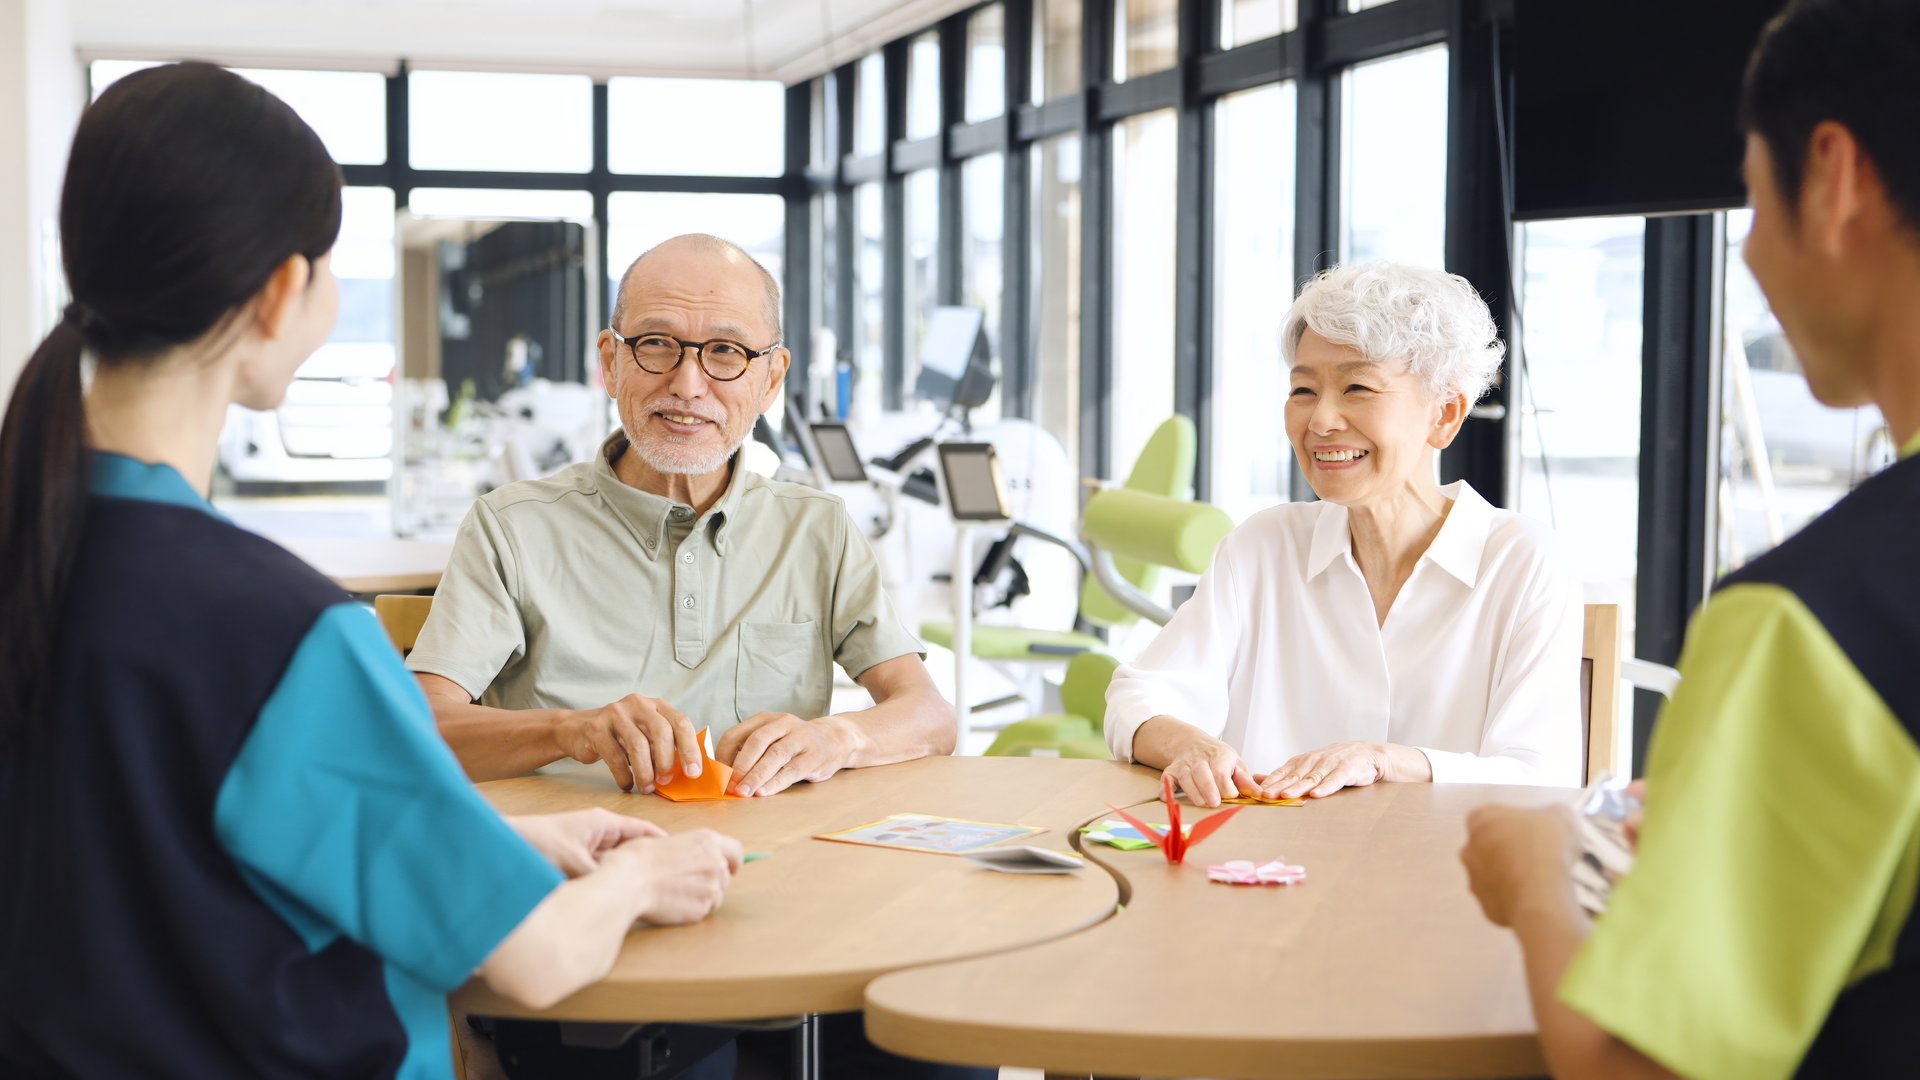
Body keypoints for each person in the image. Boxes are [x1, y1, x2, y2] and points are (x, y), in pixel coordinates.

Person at [0, 63, 741, 1078]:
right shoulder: (276, 631)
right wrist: (648, 876)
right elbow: (533, 961)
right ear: (280, 293)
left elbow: (165, 844)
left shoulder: (37, 547)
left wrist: (492, 840)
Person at [1460, 2, 1920, 1076]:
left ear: (1835, 176)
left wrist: (1533, 876)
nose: (1752, 252)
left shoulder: (1812, 621)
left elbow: (1639, 1068)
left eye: (1751, 201)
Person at [407, 233, 955, 797]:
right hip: (571, 862)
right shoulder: (510, 528)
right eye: (656, 344)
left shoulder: (818, 529)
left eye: (725, 351)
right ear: (610, 362)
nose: (688, 385)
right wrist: (573, 729)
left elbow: (931, 716)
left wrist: (837, 739)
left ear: (770, 380)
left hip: (769, 859)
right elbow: (415, 726)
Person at [1105, 261, 1584, 806]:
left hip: (1444, 878)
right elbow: (1137, 695)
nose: (1321, 421)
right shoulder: (1264, 546)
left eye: (1357, 387)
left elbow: (1541, 775)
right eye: (1304, 391)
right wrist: (1188, 743)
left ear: (1445, 414)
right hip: (1263, 872)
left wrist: (1385, 759)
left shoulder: (1521, 561)